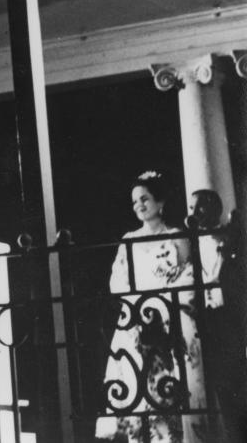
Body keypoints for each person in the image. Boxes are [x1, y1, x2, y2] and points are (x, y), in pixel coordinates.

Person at [95, 171, 207, 443]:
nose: (139, 206)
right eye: (134, 202)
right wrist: (137, 315)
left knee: (169, 394)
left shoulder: (176, 236)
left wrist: (162, 313)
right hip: (135, 321)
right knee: (136, 392)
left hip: (170, 321)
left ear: (160, 202)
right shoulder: (129, 239)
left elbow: (187, 279)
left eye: (144, 199)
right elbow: (118, 282)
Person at [186, 189, 246, 441]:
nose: (194, 213)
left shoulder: (231, 237)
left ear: (214, 208)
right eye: (191, 208)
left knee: (238, 380)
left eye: (200, 207)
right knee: (221, 385)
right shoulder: (193, 241)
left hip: (232, 315)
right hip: (210, 319)